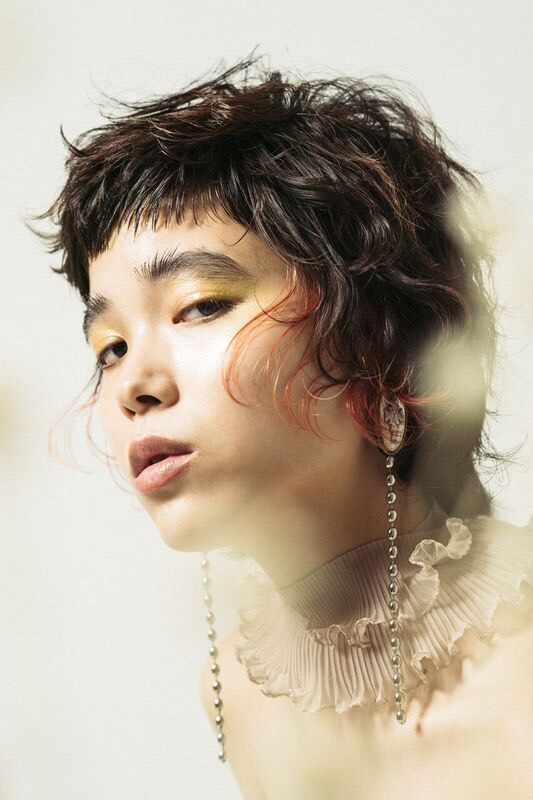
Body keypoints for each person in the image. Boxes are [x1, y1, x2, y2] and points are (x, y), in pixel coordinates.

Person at [33, 53, 533, 799]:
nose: (133, 385)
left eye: (199, 305)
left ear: (371, 339)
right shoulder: (238, 695)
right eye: (110, 348)